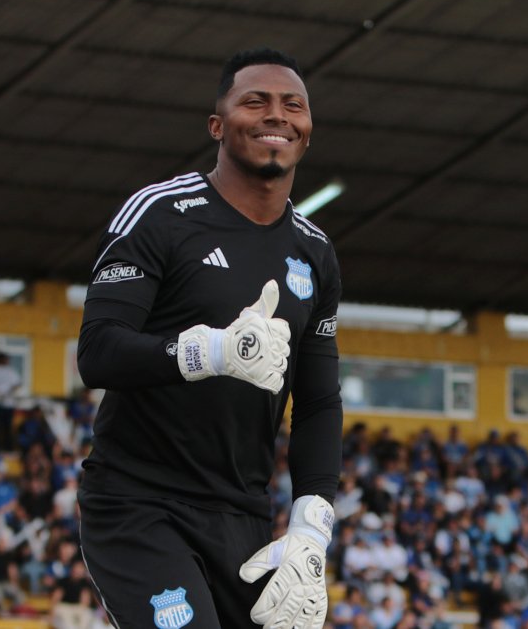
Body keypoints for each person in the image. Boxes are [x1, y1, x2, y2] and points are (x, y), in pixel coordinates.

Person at [76, 47, 343, 629]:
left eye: (292, 105)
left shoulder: (315, 252)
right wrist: (212, 352)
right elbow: (97, 352)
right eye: (256, 101)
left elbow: (319, 402)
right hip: (139, 504)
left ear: (307, 131)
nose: (276, 115)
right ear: (217, 126)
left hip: (244, 516)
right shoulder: (158, 213)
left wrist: (310, 530)